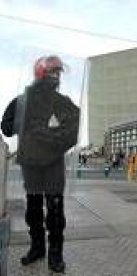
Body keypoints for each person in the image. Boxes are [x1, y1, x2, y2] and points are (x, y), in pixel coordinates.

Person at [1, 55, 79, 273]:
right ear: (41, 73)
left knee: (55, 211)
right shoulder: (22, 101)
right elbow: (6, 127)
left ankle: (56, 253)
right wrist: (22, 121)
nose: (57, 77)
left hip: (53, 164)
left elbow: (73, 131)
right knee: (33, 209)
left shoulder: (62, 102)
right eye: (53, 72)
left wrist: (46, 136)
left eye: (59, 73)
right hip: (31, 163)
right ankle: (37, 247)